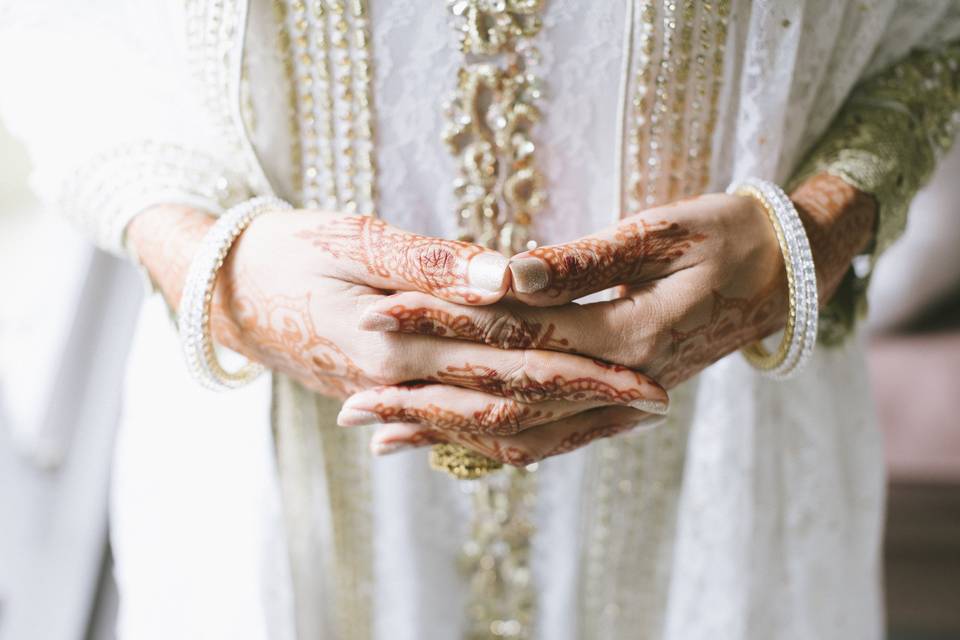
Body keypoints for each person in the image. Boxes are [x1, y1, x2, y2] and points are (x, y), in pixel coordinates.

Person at [1, 1, 958, 638]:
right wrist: (216, 269)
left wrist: (823, 223)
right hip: (273, 468)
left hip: (724, 469)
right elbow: (66, 36)